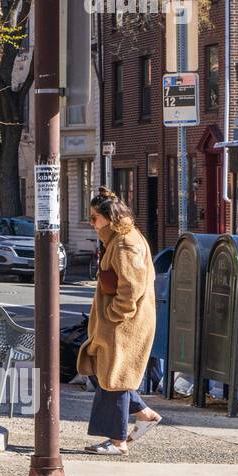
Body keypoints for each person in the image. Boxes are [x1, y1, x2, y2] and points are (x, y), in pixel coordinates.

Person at [78, 188, 163, 454]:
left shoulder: (126, 243)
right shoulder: (118, 239)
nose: (92, 223)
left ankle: (117, 441)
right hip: (121, 322)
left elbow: (131, 288)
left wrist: (114, 315)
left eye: (95, 218)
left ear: (110, 217)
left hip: (125, 324)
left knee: (114, 375)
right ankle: (144, 413)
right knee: (109, 373)